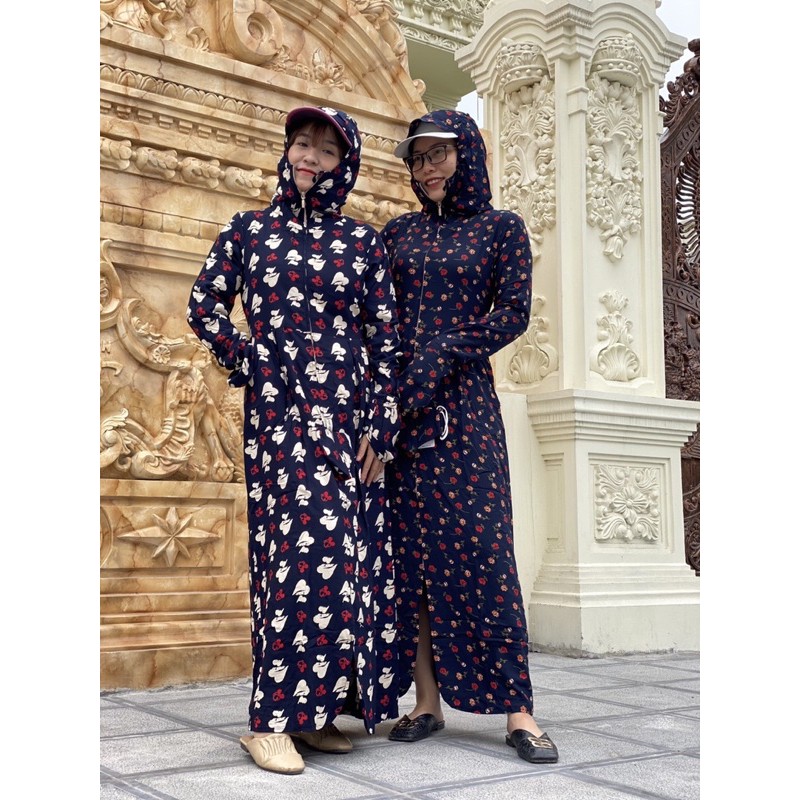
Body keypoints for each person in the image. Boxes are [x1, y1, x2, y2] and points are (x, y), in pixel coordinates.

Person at [186, 106, 402, 775]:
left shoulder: (363, 244)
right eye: (303, 144)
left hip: (348, 425)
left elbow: (385, 341)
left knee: (345, 568)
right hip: (280, 422)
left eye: (327, 151)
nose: (310, 157)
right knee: (294, 561)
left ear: (346, 165)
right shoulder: (249, 230)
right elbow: (203, 304)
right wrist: (250, 360)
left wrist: (381, 428)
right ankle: (270, 721)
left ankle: (313, 713)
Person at [379, 109, 559, 764]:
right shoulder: (397, 234)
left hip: (467, 410)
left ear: (468, 154)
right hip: (406, 410)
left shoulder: (500, 228)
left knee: (485, 551)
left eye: (439, 154)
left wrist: (446, 349)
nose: (427, 168)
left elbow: (512, 313)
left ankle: (519, 711)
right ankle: (426, 702)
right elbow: (377, 316)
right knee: (414, 556)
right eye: (418, 158)